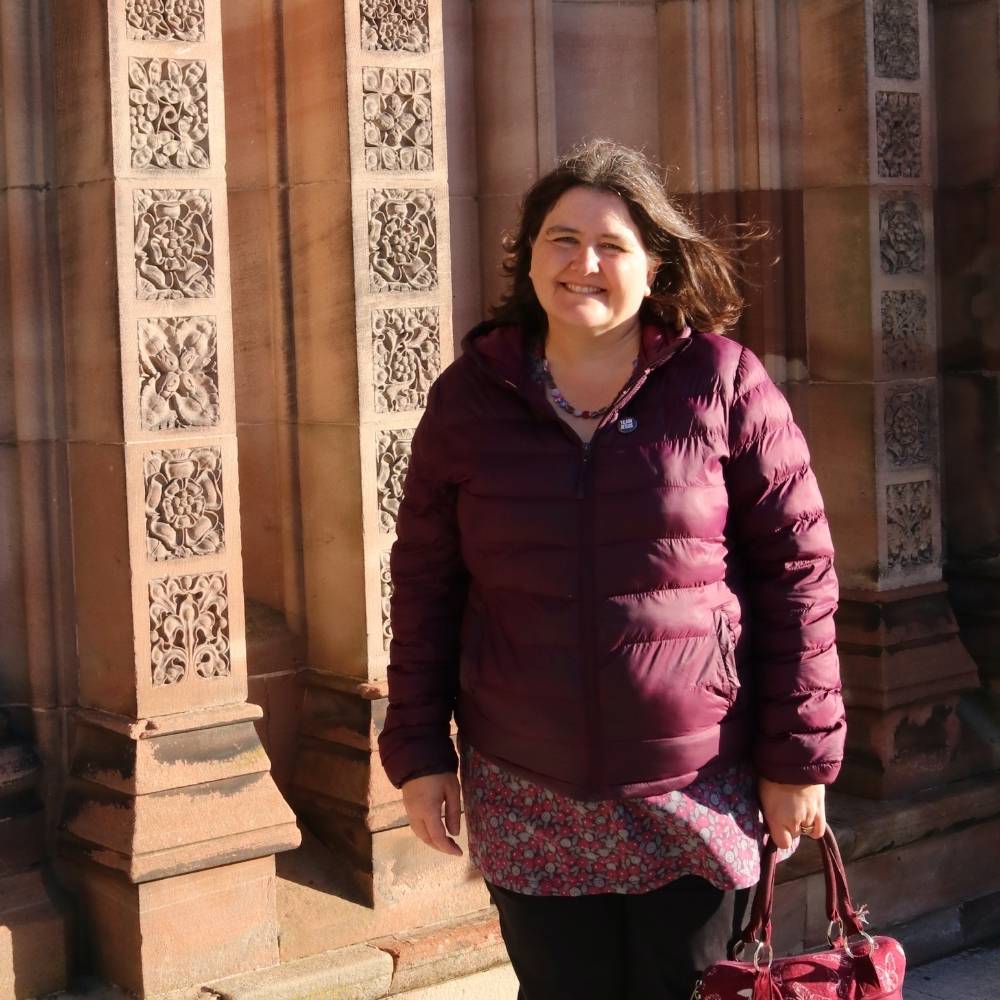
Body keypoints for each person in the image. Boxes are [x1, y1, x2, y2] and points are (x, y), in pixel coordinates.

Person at [378, 139, 845, 1000]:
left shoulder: (725, 384)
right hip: (528, 788)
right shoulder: (469, 399)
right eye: (562, 239)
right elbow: (425, 587)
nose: (583, 263)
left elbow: (799, 575)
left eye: (612, 244)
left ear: (655, 264)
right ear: (528, 256)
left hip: (698, 783)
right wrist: (417, 754)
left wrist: (799, 759)